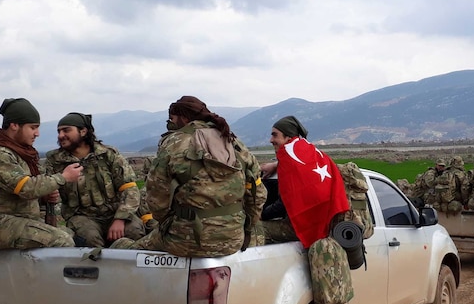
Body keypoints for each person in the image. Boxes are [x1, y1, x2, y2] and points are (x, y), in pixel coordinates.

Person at [114, 96, 266, 257]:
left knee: (123, 248)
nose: (171, 123)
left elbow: (155, 197)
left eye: (172, 119)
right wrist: (243, 228)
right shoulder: (235, 143)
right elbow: (258, 195)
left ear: (184, 118)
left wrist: (168, 224)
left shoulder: (174, 143)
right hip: (234, 239)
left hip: (185, 240)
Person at [0, 97, 83, 249]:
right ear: (14, 125)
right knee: (61, 241)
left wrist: (46, 193)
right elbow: (25, 188)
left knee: (73, 234)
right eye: (33, 127)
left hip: (17, 221)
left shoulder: (20, 153)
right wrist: (62, 178)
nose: (37, 133)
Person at [44, 113, 146, 247]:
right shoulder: (54, 161)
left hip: (114, 213)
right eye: (59, 131)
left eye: (66, 130)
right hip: (82, 217)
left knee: (135, 232)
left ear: (83, 131)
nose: (60, 135)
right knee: (89, 240)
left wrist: (120, 218)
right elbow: (45, 191)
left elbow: (130, 188)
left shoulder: (108, 155)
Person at [266, 115, 349, 248]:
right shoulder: (306, 149)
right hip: (328, 220)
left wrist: (260, 215)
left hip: (314, 225)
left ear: (288, 137)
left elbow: (284, 203)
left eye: (275, 135)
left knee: (257, 229)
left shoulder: (287, 156)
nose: (271, 140)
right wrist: (276, 164)